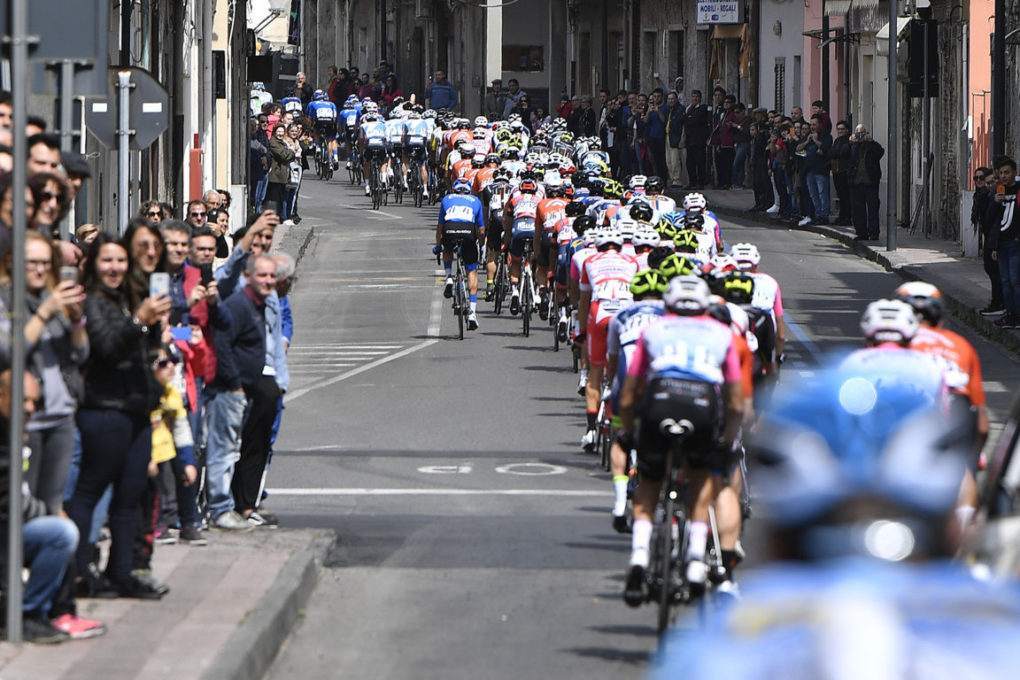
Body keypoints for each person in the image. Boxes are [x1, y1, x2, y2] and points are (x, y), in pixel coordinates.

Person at [619, 275, 744, 602]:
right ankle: (694, 560)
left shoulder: (654, 329)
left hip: (660, 399)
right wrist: (726, 441)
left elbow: (629, 392)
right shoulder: (722, 333)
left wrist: (628, 433)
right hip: (703, 404)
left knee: (649, 480)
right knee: (701, 477)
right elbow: (735, 401)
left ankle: (639, 555)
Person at [66, 232, 169, 599]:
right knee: (90, 491)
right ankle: (78, 573)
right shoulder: (92, 302)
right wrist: (139, 320)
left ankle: (121, 572)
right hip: (105, 410)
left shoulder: (125, 299)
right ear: (93, 265)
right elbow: (107, 348)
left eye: (120, 260)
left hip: (137, 408)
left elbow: (143, 348)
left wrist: (151, 322)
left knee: (130, 494)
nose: (115, 268)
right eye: (107, 260)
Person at [0, 369, 90, 644]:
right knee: (61, 533)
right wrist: (49, 512)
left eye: (34, 402)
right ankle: (26, 614)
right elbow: (8, 500)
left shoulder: (17, 431)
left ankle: (51, 611)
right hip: (5, 529)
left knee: (61, 528)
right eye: (23, 400)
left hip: (11, 526)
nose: (30, 408)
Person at [0, 231, 87, 514]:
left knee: (52, 502)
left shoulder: (53, 298)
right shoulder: (6, 301)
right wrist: (44, 312)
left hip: (62, 415)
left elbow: (80, 354)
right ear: (13, 262)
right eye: (32, 262)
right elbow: (10, 352)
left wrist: (76, 320)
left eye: (46, 263)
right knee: (25, 507)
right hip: (28, 418)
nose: (40, 269)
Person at [205, 254, 278, 531]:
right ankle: (219, 509)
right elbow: (221, 343)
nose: (268, 281)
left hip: (245, 389)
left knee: (233, 449)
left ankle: (231, 506)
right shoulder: (239, 305)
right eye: (262, 275)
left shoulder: (258, 305)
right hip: (229, 390)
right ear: (247, 277)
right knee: (223, 450)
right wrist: (235, 383)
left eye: (272, 276)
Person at [436, 177, 485, 330]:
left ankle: (449, 277)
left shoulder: (447, 199)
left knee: (447, 247)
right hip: (468, 231)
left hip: (449, 228)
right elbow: (481, 230)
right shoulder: (475, 200)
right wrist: (481, 246)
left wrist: (438, 246)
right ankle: (472, 313)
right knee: (471, 270)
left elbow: (439, 227)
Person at [986, 156, 1020, 329]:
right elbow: (990, 219)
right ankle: (1010, 314)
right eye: (1001, 173)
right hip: (1001, 243)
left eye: (1007, 172)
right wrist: (995, 203)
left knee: (1015, 280)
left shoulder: (1018, 190)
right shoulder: (998, 191)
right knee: (1005, 281)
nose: (1004, 176)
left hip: (1015, 242)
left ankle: (1018, 315)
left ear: (1014, 172)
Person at [972, 167, 1002, 315]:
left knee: (993, 269)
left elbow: (991, 218)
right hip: (988, 235)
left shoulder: (988, 195)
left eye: (981, 178)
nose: (979, 181)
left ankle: (999, 302)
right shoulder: (978, 195)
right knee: (990, 268)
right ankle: (997, 301)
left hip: (993, 236)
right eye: (976, 178)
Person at [848, 124, 884, 241]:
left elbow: (880, 152)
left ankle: (874, 233)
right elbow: (844, 154)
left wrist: (871, 141)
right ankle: (861, 233)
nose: (860, 136)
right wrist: (851, 142)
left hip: (870, 182)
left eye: (862, 133)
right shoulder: (853, 146)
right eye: (858, 133)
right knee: (858, 209)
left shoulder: (872, 146)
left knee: (873, 208)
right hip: (856, 182)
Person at [680, 90, 711, 189]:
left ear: (700, 98)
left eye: (697, 97)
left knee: (700, 161)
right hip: (689, 139)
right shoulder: (689, 108)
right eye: (693, 96)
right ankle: (692, 181)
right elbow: (682, 119)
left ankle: (700, 182)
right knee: (690, 162)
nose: (695, 99)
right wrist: (688, 117)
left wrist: (688, 118)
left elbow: (696, 120)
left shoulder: (702, 108)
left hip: (699, 140)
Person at [266, 122, 296, 217]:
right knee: (274, 201)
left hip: (282, 177)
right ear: (274, 132)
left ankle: (278, 218)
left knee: (280, 201)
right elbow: (283, 156)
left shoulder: (282, 143)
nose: (280, 134)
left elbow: (288, 157)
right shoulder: (273, 143)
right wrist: (291, 151)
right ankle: (273, 219)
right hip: (275, 177)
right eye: (278, 131)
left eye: (282, 132)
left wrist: (289, 153)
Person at [829, 120, 853, 225]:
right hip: (837, 171)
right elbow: (832, 153)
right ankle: (841, 216)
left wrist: (837, 152)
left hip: (845, 171)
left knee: (846, 196)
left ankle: (847, 217)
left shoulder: (849, 141)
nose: (840, 131)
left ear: (847, 130)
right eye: (838, 129)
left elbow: (843, 152)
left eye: (842, 129)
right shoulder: (837, 140)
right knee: (841, 196)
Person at [665, 91, 685, 189]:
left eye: (672, 99)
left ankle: (677, 180)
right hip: (667, 136)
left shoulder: (680, 109)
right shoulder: (669, 109)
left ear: (676, 99)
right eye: (669, 99)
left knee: (675, 160)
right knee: (668, 160)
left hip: (675, 137)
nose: (671, 101)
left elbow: (678, 123)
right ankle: (672, 178)